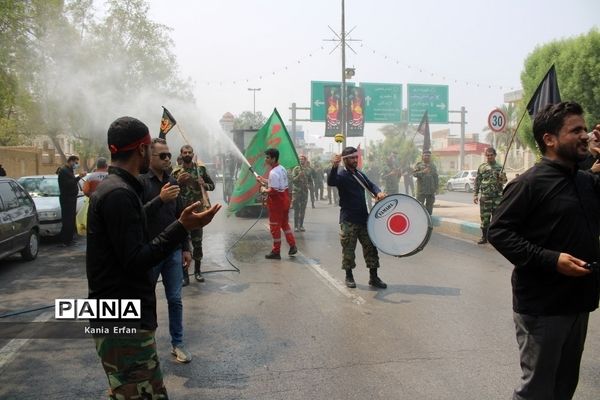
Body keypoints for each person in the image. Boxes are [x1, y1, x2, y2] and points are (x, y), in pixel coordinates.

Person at [87, 116, 221, 399]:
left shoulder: (120, 189)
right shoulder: (119, 193)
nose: (165, 157)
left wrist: (180, 228)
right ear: (142, 150)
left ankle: (178, 342)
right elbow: (135, 259)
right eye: (155, 150)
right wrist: (181, 228)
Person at [488, 102, 600, 400]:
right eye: (576, 130)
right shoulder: (529, 183)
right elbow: (498, 232)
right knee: (537, 391)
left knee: (564, 388)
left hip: (579, 301)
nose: (585, 135)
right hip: (543, 306)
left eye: (585, 129)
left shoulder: (585, 181)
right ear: (550, 139)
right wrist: (552, 260)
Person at [139, 138, 193, 364]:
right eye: (162, 156)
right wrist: (160, 200)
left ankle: (177, 344)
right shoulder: (141, 183)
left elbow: (182, 218)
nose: (167, 159)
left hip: (172, 252)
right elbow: (137, 217)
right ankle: (145, 344)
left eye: (169, 155)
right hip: (150, 252)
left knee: (175, 299)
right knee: (146, 299)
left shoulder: (173, 182)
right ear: (150, 157)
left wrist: (186, 247)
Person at [327, 147, 387, 289]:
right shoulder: (341, 175)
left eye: (356, 157)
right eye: (352, 158)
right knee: (348, 249)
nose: (355, 160)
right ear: (345, 159)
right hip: (348, 219)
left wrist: (378, 192)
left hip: (364, 218)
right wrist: (334, 166)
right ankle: (349, 276)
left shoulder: (359, 174)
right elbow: (331, 181)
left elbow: (371, 185)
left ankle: (374, 278)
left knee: (371, 248)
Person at [172, 145, 215, 284]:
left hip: (197, 214)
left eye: (189, 152)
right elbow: (170, 190)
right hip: (182, 214)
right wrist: (179, 182)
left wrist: (203, 184)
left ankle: (197, 271)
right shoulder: (176, 171)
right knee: (183, 245)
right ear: (181, 154)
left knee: (197, 243)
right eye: (185, 152)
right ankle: (185, 275)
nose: (187, 154)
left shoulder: (200, 169)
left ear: (192, 154)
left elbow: (212, 185)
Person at [257, 148, 297, 259]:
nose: (266, 159)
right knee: (285, 224)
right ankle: (292, 245)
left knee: (275, 228)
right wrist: (263, 179)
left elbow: (273, 190)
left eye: (267, 157)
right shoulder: (281, 168)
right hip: (285, 201)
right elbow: (276, 183)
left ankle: (276, 251)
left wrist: (264, 190)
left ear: (273, 159)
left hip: (277, 204)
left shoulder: (273, 172)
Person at [473, 147, 507, 244]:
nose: (489, 157)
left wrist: (501, 177)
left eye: (491, 155)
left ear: (495, 155)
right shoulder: (482, 167)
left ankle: (496, 238)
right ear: (485, 156)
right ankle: (484, 237)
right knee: (485, 218)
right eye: (487, 155)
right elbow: (478, 181)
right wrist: (475, 194)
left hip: (497, 197)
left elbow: (504, 181)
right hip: (485, 197)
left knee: (496, 219)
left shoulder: (500, 167)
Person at [57, 155, 86, 246]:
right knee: (67, 220)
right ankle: (65, 241)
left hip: (72, 198)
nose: (76, 165)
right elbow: (68, 184)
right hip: (67, 199)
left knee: (71, 219)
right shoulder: (64, 171)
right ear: (71, 161)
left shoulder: (69, 170)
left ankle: (69, 239)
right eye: (76, 163)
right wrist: (79, 177)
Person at [413, 150, 438, 215]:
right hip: (421, 190)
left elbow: (435, 177)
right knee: (419, 206)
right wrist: (423, 172)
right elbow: (414, 174)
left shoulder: (433, 166)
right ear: (422, 156)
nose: (427, 157)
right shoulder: (419, 165)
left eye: (428, 156)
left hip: (431, 190)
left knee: (430, 206)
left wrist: (436, 188)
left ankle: (429, 221)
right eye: (425, 155)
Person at [291, 155, 310, 232]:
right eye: (300, 159)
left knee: (303, 210)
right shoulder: (296, 169)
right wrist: (299, 175)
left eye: (303, 159)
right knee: (296, 209)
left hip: (304, 192)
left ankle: (301, 225)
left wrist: (309, 185)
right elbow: (293, 180)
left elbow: (310, 179)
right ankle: (296, 226)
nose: (301, 160)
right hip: (296, 192)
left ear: (305, 160)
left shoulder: (308, 170)